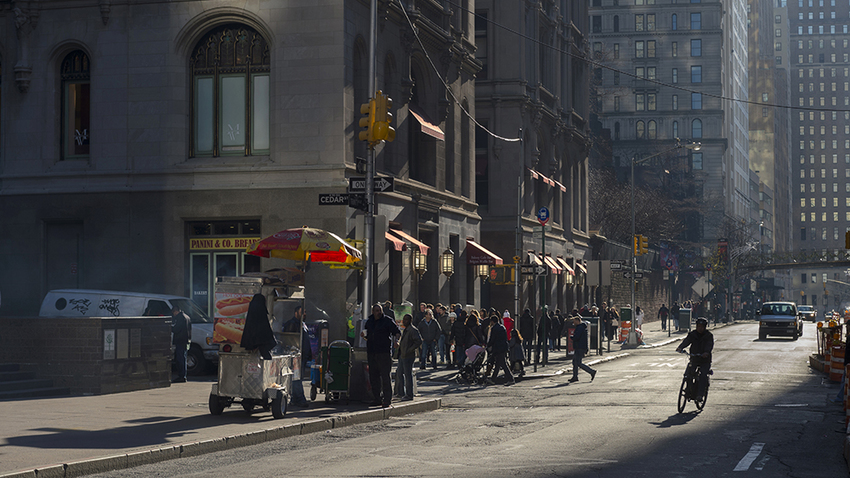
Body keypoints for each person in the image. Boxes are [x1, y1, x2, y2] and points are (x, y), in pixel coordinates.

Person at [362, 304, 401, 408]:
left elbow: (397, 332)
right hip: (372, 352)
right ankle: (377, 398)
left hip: (384, 352)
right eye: (376, 311)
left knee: (385, 377)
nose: (378, 312)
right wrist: (364, 336)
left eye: (380, 310)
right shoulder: (369, 321)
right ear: (373, 312)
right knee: (373, 376)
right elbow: (368, 335)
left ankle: (387, 399)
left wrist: (397, 341)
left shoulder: (387, 320)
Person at [676, 317, 714, 399]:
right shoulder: (693, 334)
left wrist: (706, 353)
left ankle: (700, 394)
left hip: (704, 360)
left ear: (704, 327)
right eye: (698, 326)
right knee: (688, 374)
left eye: (701, 327)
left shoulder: (708, 335)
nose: (699, 328)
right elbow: (687, 341)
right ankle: (688, 389)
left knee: (703, 375)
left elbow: (709, 345)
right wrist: (680, 347)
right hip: (694, 358)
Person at [283, 305, 312, 408]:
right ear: (296, 313)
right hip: (296, 357)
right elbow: (289, 340)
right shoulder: (292, 324)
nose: (304, 314)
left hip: (303, 356)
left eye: (305, 312)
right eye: (302, 312)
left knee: (298, 378)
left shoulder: (303, 324)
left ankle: (295, 399)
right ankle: (299, 399)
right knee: (297, 378)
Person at [395, 314, 422, 401]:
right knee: (399, 373)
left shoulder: (413, 330)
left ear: (410, 321)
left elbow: (418, 341)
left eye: (406, 320)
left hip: (408, 356)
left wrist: (409, 350)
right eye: (403, 319)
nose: (404, 321)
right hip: (402, 355)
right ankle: (400, 393)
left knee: (407, 375)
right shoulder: (406, 330)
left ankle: (409, 394)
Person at [487, 315, 514, 385]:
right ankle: (493, 379)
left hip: (498, 348)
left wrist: (488, 345)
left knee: (503, 364)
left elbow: (492, 339)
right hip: (503, 347)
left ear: (492, 321)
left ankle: (511, 379)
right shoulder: (502, 327)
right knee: (498, 364)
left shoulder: (494, 328)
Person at [568, 314, 596, 383]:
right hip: (580, 347)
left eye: (574, 321)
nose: (573, 323)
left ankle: (591, 371)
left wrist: (572, 337)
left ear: (578, 321)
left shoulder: (580, 327)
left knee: (578, 363)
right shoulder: (581, 327)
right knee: (575, 362)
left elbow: (577, 337)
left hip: (580, 347)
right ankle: (575, 377)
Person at [171, 306, 192, 383]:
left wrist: (170, 328)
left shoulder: (180, 318)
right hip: (186, 340)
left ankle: (182, 376)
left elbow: (177, 329)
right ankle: (183, 375)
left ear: (175, 311)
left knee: (180, 359)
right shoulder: (187, 317)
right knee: (184, 358)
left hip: (180, 340)